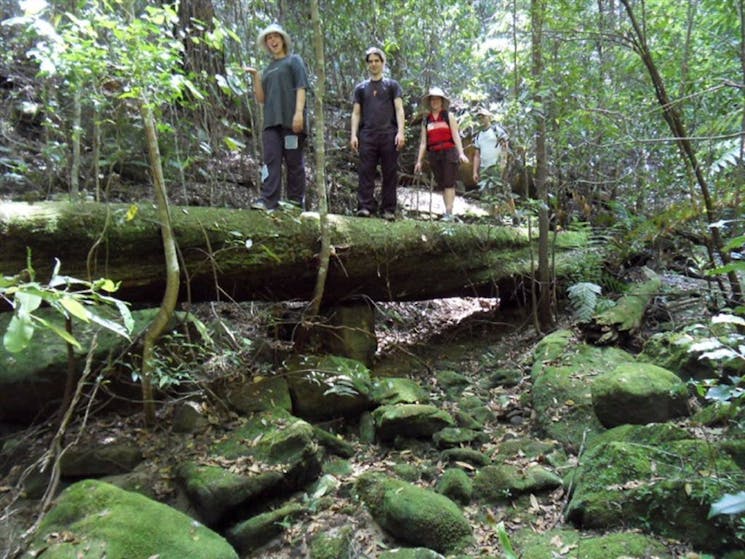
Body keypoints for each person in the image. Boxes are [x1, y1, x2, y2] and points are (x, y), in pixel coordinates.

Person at [245, 23, 308, 211]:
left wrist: (298, 114)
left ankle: (295, 202)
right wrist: (256, 76)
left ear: (283, 40)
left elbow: (301, 87)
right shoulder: (268, 69)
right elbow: (261, 98)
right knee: (270, 161)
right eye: (269, 38)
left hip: (291, 124)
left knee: (293, 161)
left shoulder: (294, 61)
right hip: (271, 125)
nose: (273, 41)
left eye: (276, 37)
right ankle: (267, 200)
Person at [350, 47, 405, 221]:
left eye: (377, 61)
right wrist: (354, 135)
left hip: (389, 134)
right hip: (367, 135)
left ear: (383, 62)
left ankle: (388, 209)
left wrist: (401, 132)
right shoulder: (361, 88)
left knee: (389, 172)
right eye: (371, 61)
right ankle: (365, 206)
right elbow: (356, 113)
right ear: (367, 64)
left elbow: (399, 109)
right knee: (366, 171)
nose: (374, 64)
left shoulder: (391, 86)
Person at [414, 87, 469, 221]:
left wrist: (461, 153)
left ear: (442, 101)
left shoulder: (448, 116)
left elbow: (456, 136)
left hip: (449, 152)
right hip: (434, 154)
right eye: (432, 99)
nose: (435, 102)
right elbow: (423, 142)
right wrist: (419, 161)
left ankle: (449, 213)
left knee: (449, 182)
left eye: (437, 99)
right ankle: (447, 212)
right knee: (442, 184)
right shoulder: (426, 120)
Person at [472, 107, 513, 215]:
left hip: (497, 166)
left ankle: (514, 215)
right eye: (479, 117)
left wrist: (503, 161)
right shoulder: (478, 135)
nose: (481, 119)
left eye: (483, 116)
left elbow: (505, 145)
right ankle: (493, 217)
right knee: (487, 193)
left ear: (489, 117)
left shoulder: (496, 130)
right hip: (484, 168)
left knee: (504, 190)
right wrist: (475, 171)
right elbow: (477, 155)